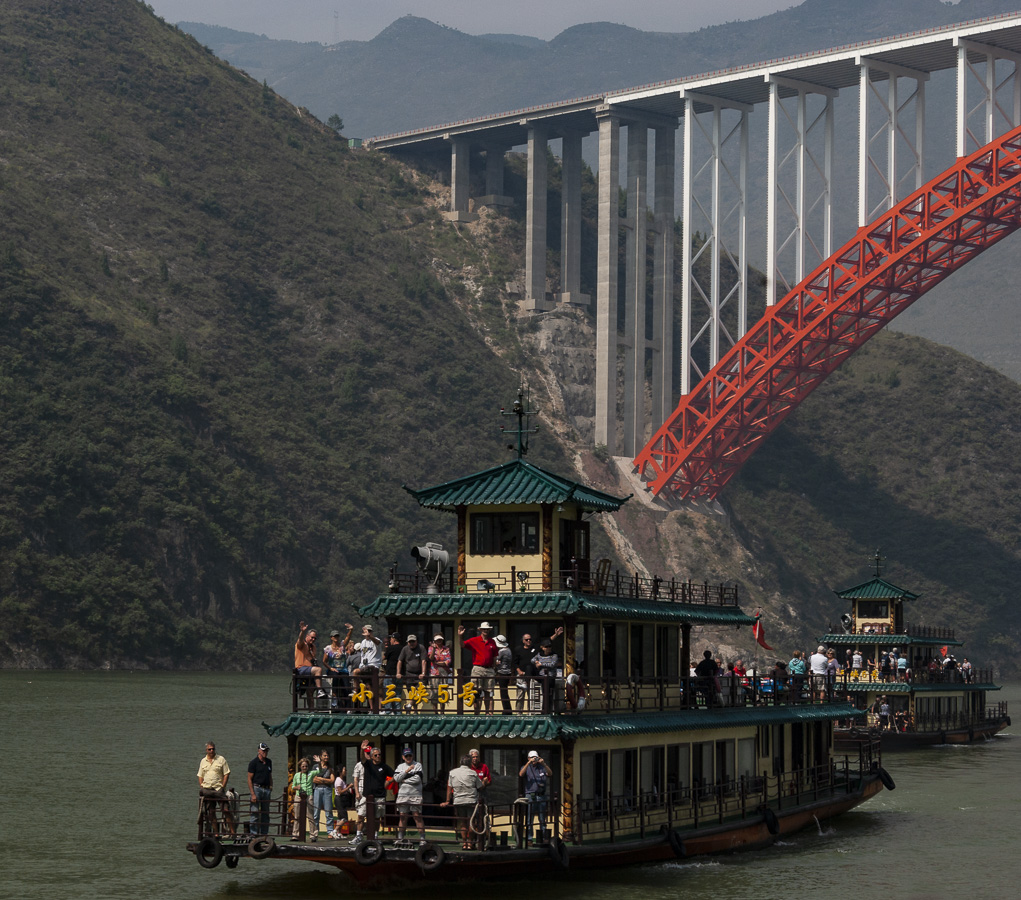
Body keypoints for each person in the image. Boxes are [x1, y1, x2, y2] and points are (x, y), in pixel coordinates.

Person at [441, 755, 483, 850]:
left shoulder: (452, 773)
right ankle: (470, 843)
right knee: (471, 823)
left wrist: (448, 800)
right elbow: (480, 787)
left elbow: (449, 787)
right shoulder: (473, 773)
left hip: (458, 801)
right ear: (469, 763)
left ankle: (464, 843)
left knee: (463, 823)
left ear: (460, 762)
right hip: (471, 800)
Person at [459, 621, 498, 713]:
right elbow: (462, 645)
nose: (485, 631)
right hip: (478, 668)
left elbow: (494, 656)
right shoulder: (474, 640)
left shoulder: (492, 642)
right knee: (477, 692)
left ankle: (489, 713)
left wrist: (494, 668)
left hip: (489, 669)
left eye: (487, 629)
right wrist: (460, 636)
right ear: (480, 630)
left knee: (489, 692)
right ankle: (477, 713)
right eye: (484, 629)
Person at [198, 741, 235, 835]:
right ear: (206, 750)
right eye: (209, 749)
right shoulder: (203, 761)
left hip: (218, 789)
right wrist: (201, 785)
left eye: (213, 749)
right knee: (211, 812)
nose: (211, 751)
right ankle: (216, 833)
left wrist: (223, 786)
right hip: (207, 789)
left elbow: (226, 773)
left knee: (226, 810)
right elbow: (200, 775)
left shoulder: (221, 759)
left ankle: (232, 831)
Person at [393, 747, 427, 845]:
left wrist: (404, 780)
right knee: (403, 816)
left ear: (413, 756)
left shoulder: (418, 765)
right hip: (403, 795)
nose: (408, 757)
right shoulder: (400, 767)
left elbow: (418, 779)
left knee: (417, 816)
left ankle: (422, 839)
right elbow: (396, 778)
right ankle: (400, 838)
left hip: (415, 795)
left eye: (410, 755)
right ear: (403, 757)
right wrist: (407, 771)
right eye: (406, 756)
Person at [361, 746, 394, 842]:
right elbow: (362, 758)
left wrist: (388, 782)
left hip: (380, 796)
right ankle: (360, 835)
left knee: (377, 818)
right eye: (376, 755)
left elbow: (395, 774)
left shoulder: (384, 766)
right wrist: (362, 749)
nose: (378, 756)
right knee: (362, 815)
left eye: (379, 755)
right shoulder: (368, 764)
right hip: (368, 796)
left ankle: (375, 835)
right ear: (371, 756)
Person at [519, 750, 553, 844]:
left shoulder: (541, 767)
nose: (534, 760)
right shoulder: (526, 767)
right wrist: (528, 763)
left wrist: (544, 764)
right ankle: (529, 838)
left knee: (542, 818)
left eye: (536, 758)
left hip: (541, 796)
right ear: (529, 758)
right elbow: (521, 774)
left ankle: (543, 837)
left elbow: (550, 774)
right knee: (530, 818)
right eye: (532, 758)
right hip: (530, 795)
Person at [349, 740, 375, 845]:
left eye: (369, 753)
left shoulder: (375, 764)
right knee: (360, 815)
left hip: (372, 793)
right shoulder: (359, 765)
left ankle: (374, 836)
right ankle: (359, 835)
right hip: (361, 792)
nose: (368, 755)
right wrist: (357, 793)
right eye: (366, 753)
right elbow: (355, 779)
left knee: (373, 816)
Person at [323, 625, 353, 708]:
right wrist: (330, 668)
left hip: (343, 669)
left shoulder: (342, 645)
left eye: (337, 636)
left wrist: (351, 629)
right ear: (331, 638)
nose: (336, 637)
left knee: (347, 687)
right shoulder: (328, 648)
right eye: (334, 636)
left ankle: (347, 706)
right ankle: (334, 698)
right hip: (333, 669)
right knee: (335, 677)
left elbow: (348, 637)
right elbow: (324, 662)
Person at [247, 742, 273, 836]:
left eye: (266, 750)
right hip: (257, 788)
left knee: (265, 813)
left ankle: (264, 833)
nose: (265, 752)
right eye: (263, 750)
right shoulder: (253, 763)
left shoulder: (269, 762)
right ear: (259, 751)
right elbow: (249, 779)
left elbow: (270, 775)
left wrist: (271, 786)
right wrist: (252, 793)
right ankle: (253, 834)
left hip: (266, 789)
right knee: (255, 812)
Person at [294, 620, 324, 697]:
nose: (313, 639)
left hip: (309, 670)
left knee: (310, 692)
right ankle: (320, 690)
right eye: (312, 637)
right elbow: (300, 640)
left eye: (315, 638)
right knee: (318, 669)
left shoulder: (313, 647)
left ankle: (312, 709)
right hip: (301, 668)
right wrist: (302, 632)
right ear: (307, 636)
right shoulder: (302, 645)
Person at [310, 750, 335, 841]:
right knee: (316, 812)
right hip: (317, 789)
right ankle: (315, 832)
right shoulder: (315, 766)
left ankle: (330, 832)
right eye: (324, 756)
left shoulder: (330, 767)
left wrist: (321, 779)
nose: (326, 757)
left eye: (327, 756)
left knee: (328, 811)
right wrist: (325, 780)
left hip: (327, 790)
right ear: (321, 756)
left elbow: (332, 780)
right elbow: (313, 779)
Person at [396, 634, 427, 708]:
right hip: (409, 674)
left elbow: (424, 661)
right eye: (410, 642)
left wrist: (423, 673)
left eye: (413, 641)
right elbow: (400, 661)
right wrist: (398, 673)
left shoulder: (421, 648)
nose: (412, 643)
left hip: (419, 674)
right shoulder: (405, 649)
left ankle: (409, 705)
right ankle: (414, 709)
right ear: (407, 642)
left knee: (420, 691)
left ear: (416, 641)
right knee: (411, 693)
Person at [532, 636, 561, 711]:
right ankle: (544, 710)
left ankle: (548, 710)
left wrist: (541, 664)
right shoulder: (539, 654)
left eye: (550, 646)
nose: (548, 648)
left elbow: (552, 664)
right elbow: (532, 659)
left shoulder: (554, 655)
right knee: (545, 694)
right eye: (546, 647)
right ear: (542, 647)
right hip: (542, 676)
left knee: (549, 694)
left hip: (550, 677)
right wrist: (536, 662)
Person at [290, 757, 315, 840]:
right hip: (298, 796)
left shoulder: (311, 774)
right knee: (297, 816)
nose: (304, 768)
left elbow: (319, 771)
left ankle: (313, 835)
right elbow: (293, 786)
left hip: (308, 795)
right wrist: (297, 787)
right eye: (303, 766)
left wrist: (319, 763)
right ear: (300, 766)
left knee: (310, 816)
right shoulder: (296, 775)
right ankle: (295, 834)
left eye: (306, 766)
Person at [514, 633, 538, 711]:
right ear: (523, 641)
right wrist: (519, 671)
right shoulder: (518, 650)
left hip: (532, 675)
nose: (528, 641)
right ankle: (518, 713)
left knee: (531, 696)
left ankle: (530, 712)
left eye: (530, 639)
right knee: (520, 696)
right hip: (521, 676)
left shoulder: (535, 650)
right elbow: (514, 663)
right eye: (526, 639)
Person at [428, 633, 452, 709]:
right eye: (437, 640)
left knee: (443, 692)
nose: (439, 641)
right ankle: (435, 712)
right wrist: (434, 649)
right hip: (434, 673)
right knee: (434, 692)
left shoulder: (446, 649)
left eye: (440, 639)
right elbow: (431, 658)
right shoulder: (431, 648)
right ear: (434, 641)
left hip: (444, 673)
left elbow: (448, 661)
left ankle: (442, 712)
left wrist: (437, 663)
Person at [329, 765, 350, 839]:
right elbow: (340, 791)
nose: (346, 771)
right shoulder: (338, 780)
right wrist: (348, 787)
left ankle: (338, 833)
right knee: (344, 818)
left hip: (342, 799)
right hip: (339, 799)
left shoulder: (342, 780)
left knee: (340, 817)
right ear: (340, 771)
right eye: (344, 770)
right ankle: (334, 831)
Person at [494, 635, 514, 712]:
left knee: (503, 692)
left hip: (502, 673)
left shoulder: (502, 651)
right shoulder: (508, 650)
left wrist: (496, 663)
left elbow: (496, 661)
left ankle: (507, 710)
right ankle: (507, 709)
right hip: (507, 672)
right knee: (504, 691)